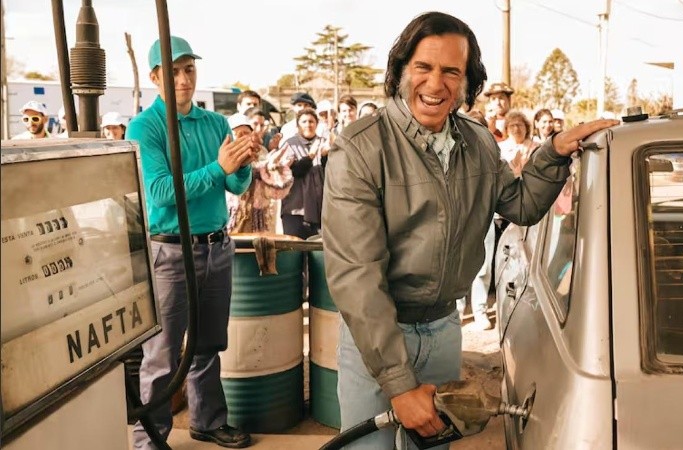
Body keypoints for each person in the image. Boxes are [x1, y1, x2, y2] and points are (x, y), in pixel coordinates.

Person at [321, 11, 618, 449]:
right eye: (423, 67)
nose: (435, 83)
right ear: (401, 70)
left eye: (451, 71)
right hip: (377, 338)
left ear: (467, 81)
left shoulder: (476, 140)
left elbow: (520, 204)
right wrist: (399, 383)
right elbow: (357, 277)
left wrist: (553, 152)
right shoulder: (360, 147)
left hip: (444, 329)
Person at [126, 35, 255, 449]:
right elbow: (161, 191)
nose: (183, 79)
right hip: (170, 251)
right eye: (173, 71)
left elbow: (235, 184)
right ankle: (150, 440)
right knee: (162, 354)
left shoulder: (215, 123)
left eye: (189, 69)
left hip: (217, 246)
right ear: (155, 77)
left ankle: (207, 420)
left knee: (208, 345)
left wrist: (243, 164)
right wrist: (219, 167)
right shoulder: (144, 127)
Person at [226, 113, 293, 233]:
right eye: (237, 133)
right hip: (233, 213)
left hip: (260, 216)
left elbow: (275, 189)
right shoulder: (224, 155)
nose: (241, 137)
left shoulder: (261, 152)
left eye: (245, 133)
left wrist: (275, 169)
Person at [280, 107, 328, 239]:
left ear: (317, 124)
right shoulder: (289, 144)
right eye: (304, 121)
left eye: (311, 121)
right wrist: (310, 157)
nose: (308, 125)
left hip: (321, 211)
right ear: (297, 125)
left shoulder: (324, 143)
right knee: (294, 248)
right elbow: (293, 172)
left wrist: (325, 156)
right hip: (295, 210)